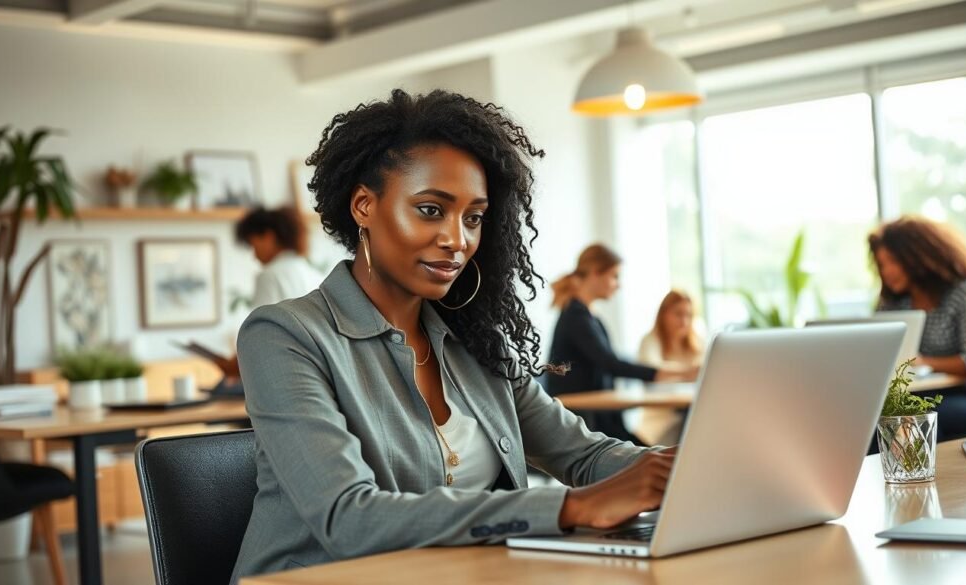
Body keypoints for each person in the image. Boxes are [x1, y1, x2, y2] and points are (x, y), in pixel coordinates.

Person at [229, 89, 676, 582]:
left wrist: (682, 466)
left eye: (473, 217)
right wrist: (569, 508)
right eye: (430, 210)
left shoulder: (477, 343)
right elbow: (347, 518)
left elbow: (585, 454)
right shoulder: (285, 336)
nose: (457, 239)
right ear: (363, 206)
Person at [869, 216, 966, 441]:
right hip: (918, 395)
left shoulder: (963, 293)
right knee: (876, 421)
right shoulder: (892, 303)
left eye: (893, 261)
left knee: (921, 420)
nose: (887, 272)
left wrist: (922, 362)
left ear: (917, 257)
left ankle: (929, 477)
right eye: (882, 265)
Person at [545, 244, 678, 444]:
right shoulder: (576, 316)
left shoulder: (587, 316)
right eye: (614, 276)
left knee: (658, 455)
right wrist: (665, 372)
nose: (618, 284)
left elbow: (610, 361)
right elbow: (611, 364)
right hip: (585, 425)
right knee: (658, 459)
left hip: (598, 419)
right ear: (595, 273)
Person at [214, 207, 325, 382]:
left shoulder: (270, 276)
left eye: (253, 244)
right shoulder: (313, 273)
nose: (253, 255)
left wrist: (235, 365)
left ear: (268, 236)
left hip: (287, 377)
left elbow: (260, 335)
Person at [637, 289, 705, 445]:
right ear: (663, 314)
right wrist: (688, 373)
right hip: (660, 422)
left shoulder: (697, 343)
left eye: (689, 315)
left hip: (692, 416)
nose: (684, 321)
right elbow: (652, 372)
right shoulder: (649, 341)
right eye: (678, 314)